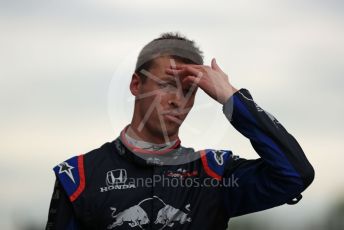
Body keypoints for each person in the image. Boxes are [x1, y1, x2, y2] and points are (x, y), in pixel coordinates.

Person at [46, 32, 314, 230]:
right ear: (136, 85)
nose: (177, 100)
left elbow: (294, 175)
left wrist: (232, 98)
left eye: (188, 90)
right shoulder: (79, 176)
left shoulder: (213, 173)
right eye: (166, 85)